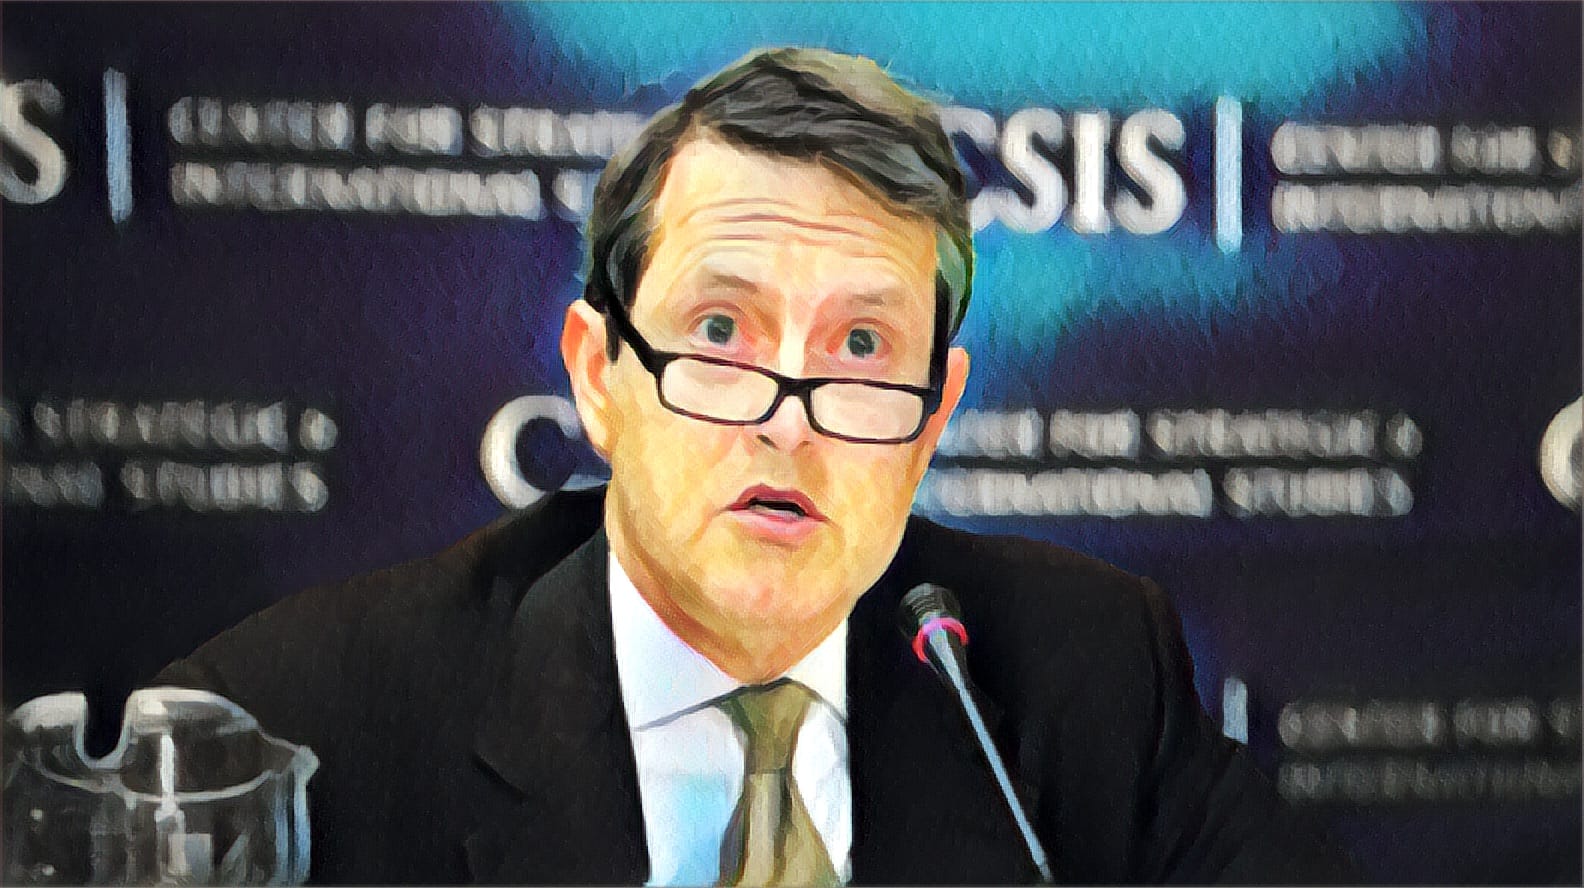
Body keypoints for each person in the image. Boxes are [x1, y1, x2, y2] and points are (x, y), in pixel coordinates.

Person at [157, 47, 1354, 885]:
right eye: (721, 332)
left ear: (932, 418)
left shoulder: (1086, 674)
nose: (790, 422)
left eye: (862, 347)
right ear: (598, 374)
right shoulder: (304, 731)